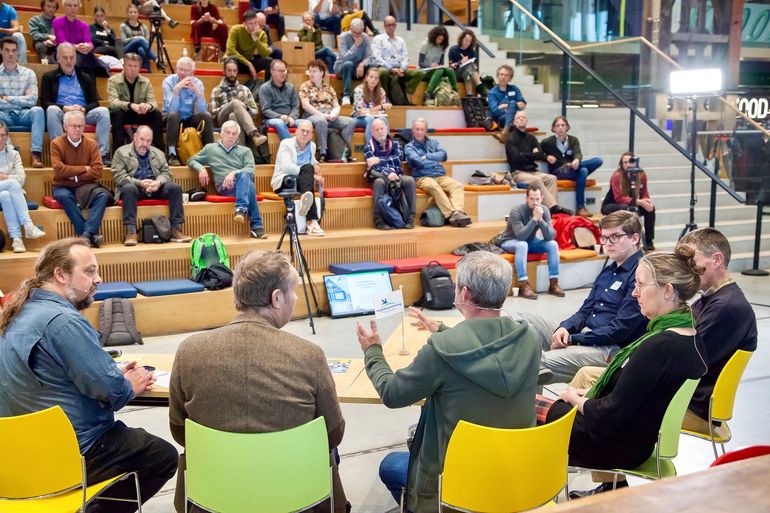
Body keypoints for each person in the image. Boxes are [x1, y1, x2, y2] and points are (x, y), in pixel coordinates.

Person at [0, 238, 178, 513]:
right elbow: (112, 391)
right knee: (160, 456)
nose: (99, 279)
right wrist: (129, 383)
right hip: (70, 453)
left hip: (17, 456)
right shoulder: (64, 322)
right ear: (60, 274)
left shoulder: (18, 313)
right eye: (89, 271)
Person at [355, 251, 541, 513]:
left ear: (464, 294)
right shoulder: (530, 337)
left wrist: (373, 352)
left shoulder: (441, 351)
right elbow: (487, 350)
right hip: (514, 474)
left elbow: (393, 394)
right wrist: (442, 329)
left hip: (454, 483)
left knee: (390, 465)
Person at [169, 249, 348, 513]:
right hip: (297, 498)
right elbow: (334, 434)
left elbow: (179, 430)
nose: (296, 298)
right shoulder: (309, 356)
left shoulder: (188, 352)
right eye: (293, 292)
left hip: (212, 499)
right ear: (276, 298)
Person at [547, 246, 707, 496]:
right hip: (635, 438)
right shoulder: (690, 335)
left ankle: (527, 491)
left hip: (615, 445)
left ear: (667, 290)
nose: (634, 293)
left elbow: (606, 415)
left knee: (532, 409)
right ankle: (609, 490)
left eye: (641, 285)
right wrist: (586, 396)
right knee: (550, 403)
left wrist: (574, 398)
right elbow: (634, 394)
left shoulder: (658, 347)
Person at [543, 210, 647, 384]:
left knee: (536, 363)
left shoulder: (641, 274)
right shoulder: (608, 271)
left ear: (634, 238)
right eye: (604, 238)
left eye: (615, 237)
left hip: (611, 349)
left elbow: (620, 330)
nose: (608, 244)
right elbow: (585, 311)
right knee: (526, 325)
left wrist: (573, 339)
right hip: (588, 336)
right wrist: (566, 328)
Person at [678, 228, 758, 433]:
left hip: (691, 406)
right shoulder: (713, 299)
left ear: (717, 259)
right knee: (592, 381)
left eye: (692, 262)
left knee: (601, 398)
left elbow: (684, 361)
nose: (688, 270)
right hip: (687, 398)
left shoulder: (726, 307)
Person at [111, 125, 191, 246]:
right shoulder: (121, 152)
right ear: (135, 137)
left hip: (155, 187)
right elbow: (119, 176)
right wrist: (140, 183)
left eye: (148, 141)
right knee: (128, 188)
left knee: (175, 188)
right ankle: (131, 232)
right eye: (142, 139)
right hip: (135, 187)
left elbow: (167, 173)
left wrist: (158, 182)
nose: (145, 144)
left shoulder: (158, 153)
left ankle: (175, 229)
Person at [187, 120, 267, 239]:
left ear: (238, 136)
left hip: (242, 184)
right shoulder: (211, 149)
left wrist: (234, 173)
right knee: (250, 186)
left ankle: (241, 210)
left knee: (245, 176)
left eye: (234, 134)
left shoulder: (245, 151)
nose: (230, 136)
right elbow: (191, 160)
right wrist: (201, 169)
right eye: (228, 132)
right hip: (226, 187)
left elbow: (251, 170)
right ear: (221, 133)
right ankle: (256, 225)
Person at [42, 43, 112, 167]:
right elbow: (45, 102)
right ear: (58, 58)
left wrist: (83, 109)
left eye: (71, 57)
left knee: (103, 112)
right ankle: (60, 153)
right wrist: (64, 108)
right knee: (52, 110)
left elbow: (95, 101)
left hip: (82, 112)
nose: (69, 61)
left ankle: (102, 155)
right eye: (65, 57)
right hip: (63, 112)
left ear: (75, 58)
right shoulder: (49, 77)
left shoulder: (85, 77)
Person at [51, 111, 109, 248]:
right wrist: (84, 168)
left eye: (81, 126)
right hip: (62, 185)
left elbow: (97, 171)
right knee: (64, 196)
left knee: (102, 195)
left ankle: (86, 235)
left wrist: (73, 175)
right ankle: (89, 235)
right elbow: (59, 170)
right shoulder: (56, 144)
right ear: (65, 127)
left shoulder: (91, 144)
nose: (78, 129)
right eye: (74, 126)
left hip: (85, 186)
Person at [498, 185, 564, 299]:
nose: (535, 202)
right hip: (510, 241)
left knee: (553, 245)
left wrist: (541, 220)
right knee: (522, 245)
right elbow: (521, 236)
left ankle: (554, 283)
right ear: (526, 199)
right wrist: (534, 220)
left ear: (542, 198)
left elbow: (550, 236)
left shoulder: (544, 210)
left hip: (531, 242)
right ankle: (523, 285)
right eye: (532, 199)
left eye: (537, 199)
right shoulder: (516, 210)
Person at [405, 118, 471, 227]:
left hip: (440, 175)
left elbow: (444, 156)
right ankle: (451, 214)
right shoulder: (409, 147)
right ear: (413, 131)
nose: (420, 132)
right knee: (433, 186)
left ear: (426, 130)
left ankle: (458, 212)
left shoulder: (434, 142)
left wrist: (427, 156)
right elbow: (417, 163)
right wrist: (435, 160)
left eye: (422, 129)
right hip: (422, 177)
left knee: (457, 185)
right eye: (417, 129)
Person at [505, 110, 573, 216]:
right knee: (537, 180)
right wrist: (532, 154)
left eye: (523, 117)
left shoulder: (531, 138)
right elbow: (516, 158)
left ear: (527, 120)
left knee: (552, 178)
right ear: (514, 122)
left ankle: (550, 211)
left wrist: (524, 154)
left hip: (533, 171)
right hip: (518, 173)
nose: (521, 119)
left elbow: (540, 155)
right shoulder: (511, 138)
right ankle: (554, 207)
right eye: (519, 118)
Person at [540, 115, 603, 217]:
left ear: (567, 127)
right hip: (558, 171)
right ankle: (580, 207)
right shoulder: (547, 142)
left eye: (563, 125)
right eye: (557, 125)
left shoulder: (573, 140)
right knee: (583, 171)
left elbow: (578, 153)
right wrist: (546, 157)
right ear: (553, 128)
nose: (560, 127)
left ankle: (571, 166)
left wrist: (577, 160)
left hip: (573, 169)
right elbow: (538, 151)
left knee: (597, 161)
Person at [271, 119, 325, 237]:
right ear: (296, 131)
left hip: (303, 182)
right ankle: (311, 221)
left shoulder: (312, 146)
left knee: (308, 170)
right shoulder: (286, 143)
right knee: (307, 170)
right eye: (302, 130)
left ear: (311, 135)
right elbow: (286, 167)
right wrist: (310, 173)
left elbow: (312, 162)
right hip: (286, 180)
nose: (305, 134)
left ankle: (306, 202)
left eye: (308, 132)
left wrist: (316, 164)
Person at [0, 121, 46, 253]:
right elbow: (16, 180)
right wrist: (9, 177)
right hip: (11, 187)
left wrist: (2, 176)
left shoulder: (13, 154)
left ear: (7, 136)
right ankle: (28, 225)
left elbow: (21, 178)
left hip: (8, 192)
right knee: (13, 184)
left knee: (6, 195)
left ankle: (17, 239)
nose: (0, 138)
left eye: (2, 135)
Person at [0, 37, 45, 168]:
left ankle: (36, 155)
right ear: (1, 51)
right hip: (3, 115)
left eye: (14, 50)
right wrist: (21, 100)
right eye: (7, 50)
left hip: (24, 114)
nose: (10, 54)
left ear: (17, 52)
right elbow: (26, 99)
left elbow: (32, 100)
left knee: (38, 110)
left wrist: (7, 98)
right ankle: (6, 154)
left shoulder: (28, 73)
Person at [299, 60, 355, 163]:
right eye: (310, 71)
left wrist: (334, 114)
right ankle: (322, 153)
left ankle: (345, 151)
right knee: (321, 121)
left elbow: (337, 106)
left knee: (350, 122)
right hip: (312, 115)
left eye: (314, 71)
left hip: (330, 115)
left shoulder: (329, 87)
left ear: (321, 73)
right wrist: (322, 115)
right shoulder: (305, 86)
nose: (311, 74)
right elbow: (305, 105)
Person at [162, 57, 214, 166]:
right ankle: (172, 154)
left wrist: (197, 93)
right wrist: (176, 91)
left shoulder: (198, 83)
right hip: (170, 118)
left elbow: (202, 110)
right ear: (176, 69)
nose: (183, 73)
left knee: (207, 116)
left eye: (186, 71)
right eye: (180, 69)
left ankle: (210, 152)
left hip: (188, 117)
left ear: (192, 72)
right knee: (173, 115)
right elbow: (171, 110)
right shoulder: (168, 82)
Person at [365, 117, 415, 229]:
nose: (380, 132)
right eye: (377, 130)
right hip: (380, 176)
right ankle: (379, 220)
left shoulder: (396, 144)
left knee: (410, 181)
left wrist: (379, 160)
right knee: (379, 183)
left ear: (387, 129)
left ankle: (410, 219)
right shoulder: (368, 147)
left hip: (397, 174)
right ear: (372, 132)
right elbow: (374, 166)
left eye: (382, 129)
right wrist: (388, 172)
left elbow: (398, 159)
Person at [108, 52, 165, 151]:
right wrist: (130, 105)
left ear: (139, 67)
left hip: (140, 113)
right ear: (124, 66)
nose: (133, 69)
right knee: (117, 113)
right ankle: (118, 151)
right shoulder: (113, 80)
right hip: (123, 114)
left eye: (136, 66)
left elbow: (154, 103)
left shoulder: (146, 82)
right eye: (130, 66)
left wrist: (147, 106)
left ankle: (160, 151)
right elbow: (113, 102)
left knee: (156, 114)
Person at [602, 151, 656, 251]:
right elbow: (619, 198)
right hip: (613, 204)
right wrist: (640, 202)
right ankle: (630, 240)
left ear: (635, 162)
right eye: (625, 162)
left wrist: (647, 202)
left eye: (630, 162)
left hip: (633, 202)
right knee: (625, 208)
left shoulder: (641, 174)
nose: (627, 164)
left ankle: (649, 241)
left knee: (650, 210)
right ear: (621, 164)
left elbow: (644, 193)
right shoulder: (617, 175)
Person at [209, 57, 267, 147]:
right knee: (235, 103)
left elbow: (255, 112)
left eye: (234, 71)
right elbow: (212, 114)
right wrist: (228, 105)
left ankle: (240, 153)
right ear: (224, 72)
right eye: (229, 71)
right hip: (223, 120)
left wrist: (244, 107)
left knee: (234, 116)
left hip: (241, 121)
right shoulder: (217, 90)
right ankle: (254, 133)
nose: (232, 74)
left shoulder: (245, 89)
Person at [371, 16, 423, 105]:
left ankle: (405, 94)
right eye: (389, 25)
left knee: (419, 73)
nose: (391, 27)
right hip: (384, 67)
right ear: (384, 26)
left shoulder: (401, 40)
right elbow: (377, 58)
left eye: (393, 25)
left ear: (395, 26)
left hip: (399, 68)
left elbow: (406, 57)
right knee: (383, 72)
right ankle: (386, 96)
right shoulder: (378, 39)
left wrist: (402, 68)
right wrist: (391, 68)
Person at [52, 0, 104, 76]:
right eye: (69, 5)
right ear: (64, 7)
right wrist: (76, 47)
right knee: (82, 60)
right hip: (64, 53)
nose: (73, 8)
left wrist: (88, 46)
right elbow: (61, 41)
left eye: (75, 6)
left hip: (82, 52)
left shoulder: (84, 25)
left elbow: (89, 42)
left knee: (93, 62)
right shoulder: (57, 22)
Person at [224, 9, 273, 82]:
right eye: (250, 23)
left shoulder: (262, 34)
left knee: (270, 62)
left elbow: (265, 53)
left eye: (255, 23)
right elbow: (230, 50)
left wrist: (255, 39)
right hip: (237, 61)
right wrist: (248, 63)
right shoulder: (235, 29)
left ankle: (266, 88)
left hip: (249, 62)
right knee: (231, 60)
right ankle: (231, 88)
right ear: (244, 24)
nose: (254, 26)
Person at [258, 59, 299, 141]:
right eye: (280, 71)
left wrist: (291, 117)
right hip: (272, 120)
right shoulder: (265, 88)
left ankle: (306, 151)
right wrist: (280, 116)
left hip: (290, 118)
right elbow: (266, 110)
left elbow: (296, 106)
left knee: (306, 123)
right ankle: (291, 148)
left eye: (284, 71)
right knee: (279, 123)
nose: (283, 73)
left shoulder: (291, 87)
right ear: (272, 72)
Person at [334, 18, 371, 105]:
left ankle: (370, 95)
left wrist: (362, 64)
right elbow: (344, 58)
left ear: (363, 30)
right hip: (342, 68)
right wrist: (355, 45)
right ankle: (346, 95)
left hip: (358, 69)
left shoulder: (365, 37)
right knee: (348, 64)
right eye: (354, 32)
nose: (357, 35)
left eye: (359, 33)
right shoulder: (343, 36)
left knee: (373, 66)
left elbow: (370, 56)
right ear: (350, 29)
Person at [488, 64, 526, 143]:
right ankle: (507, 131)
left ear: (510, 78)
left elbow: (523, 105)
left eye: (506, 75)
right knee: (512, 103)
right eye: (501, 74)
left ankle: (504, 133)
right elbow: (494, 111)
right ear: (497, 76)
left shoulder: (514, 89)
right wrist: (512, 107)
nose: (503, 77)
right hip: (501, 119)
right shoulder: (492, 92)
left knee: (513, 105)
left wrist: (504, 106)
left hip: (516, 118)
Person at [352, 66, 390, 144]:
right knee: (371, 120)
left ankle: (385, 146)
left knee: (384, 120)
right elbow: (360, 111)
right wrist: (378, 108)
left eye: (376, 78)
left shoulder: (382, 91)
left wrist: (377, 110)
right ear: (366, 78)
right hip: (358, 118)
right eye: (371, 77)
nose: (374, 80)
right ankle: (371, 148)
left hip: (375, 117)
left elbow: (382, 112)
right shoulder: (358, 90)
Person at [418, 26, 456, 102]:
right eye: (438, 39)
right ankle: (428, 93)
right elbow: (420, 63)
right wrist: (430, 66)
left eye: (442, 40)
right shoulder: (425, 44)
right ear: (434, 36)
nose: (440, 41)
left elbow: (441, 62)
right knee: (439, 71)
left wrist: (439, 65)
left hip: (437, 69)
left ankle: (454, 91)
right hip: (426, 71)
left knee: (450, 70)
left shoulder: (442, 46)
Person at [119, 4, 158, 72]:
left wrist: (140, 39)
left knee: (141, 50)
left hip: (140, 49)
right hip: (128, 49)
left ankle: (145, 71)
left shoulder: (143, 27)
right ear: (127, 14)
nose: (133, 14)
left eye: (135, 12)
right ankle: (155, 58)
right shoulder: (123, 26)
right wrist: (137, 38)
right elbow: (124, 41)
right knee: (140, 39)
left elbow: (147, 41)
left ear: (138, 14)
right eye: (130, 12)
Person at [448, 29, 485, 97]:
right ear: (462, 39)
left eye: (470, 41)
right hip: (456, 73)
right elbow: (451, 67)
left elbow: (474, 65)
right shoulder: (453, 49)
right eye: (466, 40)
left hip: (467, 72)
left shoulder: (471, 51)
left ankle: (469, 94)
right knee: (468, 66)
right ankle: (480, 87)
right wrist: (461, 62)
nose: (468, 43)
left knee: (468, 68)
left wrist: (474, 65)